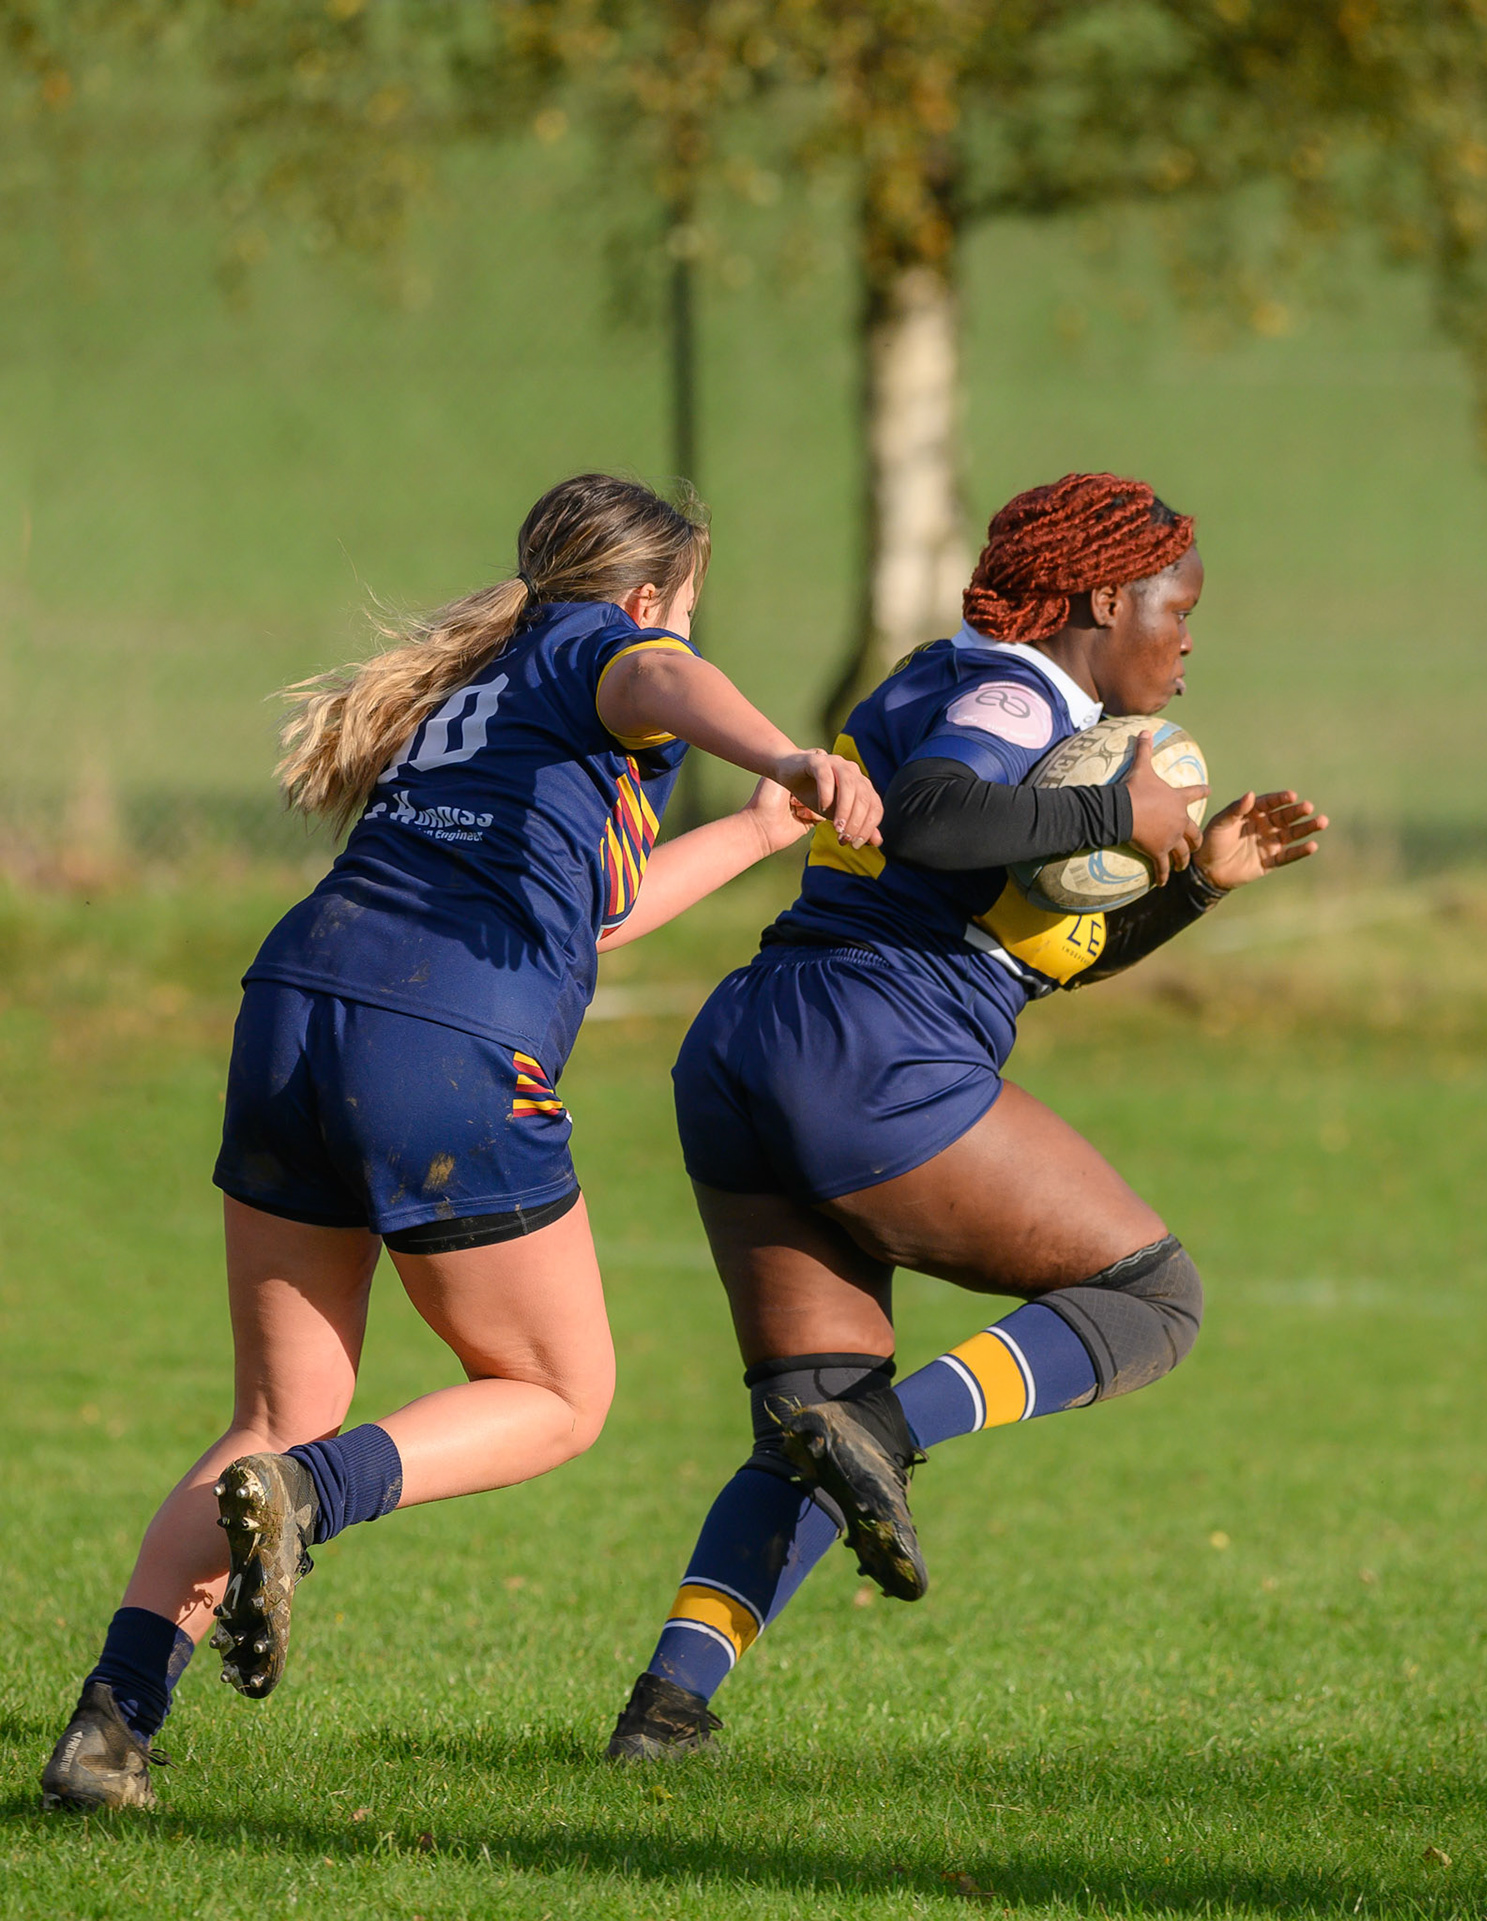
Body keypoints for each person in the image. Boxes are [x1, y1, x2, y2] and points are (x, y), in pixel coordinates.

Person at [39, 473, 883, 1812]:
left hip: (295, 1008)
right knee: (559, 1392)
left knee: (272, 1409)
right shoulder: (611, 647)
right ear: (652, 597)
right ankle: (312, 1494)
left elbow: (583, 918)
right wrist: (785, 749)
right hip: (440, 1042)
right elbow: (657, 674)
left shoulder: (491, 690)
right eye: (679, 616)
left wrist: (764, 824)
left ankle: (109, 1727)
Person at [604, 471, 1327, 1761]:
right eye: (1180, 607)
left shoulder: (955, 677)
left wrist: (1196, 881)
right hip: (869, 1048)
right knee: (1152, 1302)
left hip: (755, 1041)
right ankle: (881, 1433)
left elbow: (1038, 948)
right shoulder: (1020, 692)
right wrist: (1117, 808)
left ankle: (668, 1713)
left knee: (807, 1427)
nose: (1190, 639)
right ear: (1105, 597)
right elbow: (939, 817)